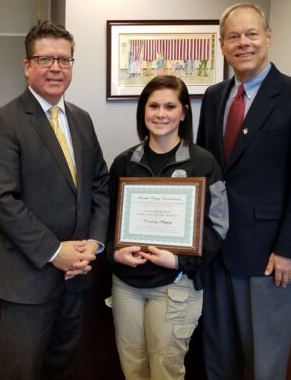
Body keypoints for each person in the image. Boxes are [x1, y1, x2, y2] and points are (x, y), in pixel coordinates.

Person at [197, 2, 291, 380]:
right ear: (221, 45)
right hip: (216, 252)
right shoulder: (214, 96)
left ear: (268, 37)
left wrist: (289, 249)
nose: (243, 43)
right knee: (217, 358)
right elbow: (207, 171)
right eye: (233, 36)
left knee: (264, 364)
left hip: (269, 259)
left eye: (252, 34)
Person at [0, 21, 110, 380]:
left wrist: (93, 245)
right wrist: (56, 252)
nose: (56, 67)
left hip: (77, 276)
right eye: (45, 59)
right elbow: (1, 198)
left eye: (64, 60)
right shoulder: (3, 121)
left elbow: (99, 183)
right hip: (28, 281)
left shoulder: (81, 120)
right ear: (26, 66)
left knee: (64, 370)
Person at [107, 76, 228, 380]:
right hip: (127, 287)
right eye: (153, 106)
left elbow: (219, 226)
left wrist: (178, 261)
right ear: (143, 111)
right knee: (133, 370)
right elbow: (106, 220)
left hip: (176, 284)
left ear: (184, 112)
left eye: (170, 106)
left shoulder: (203, 162)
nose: (161, 113)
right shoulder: (124, 163)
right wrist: (114, 254)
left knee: (165, 371)